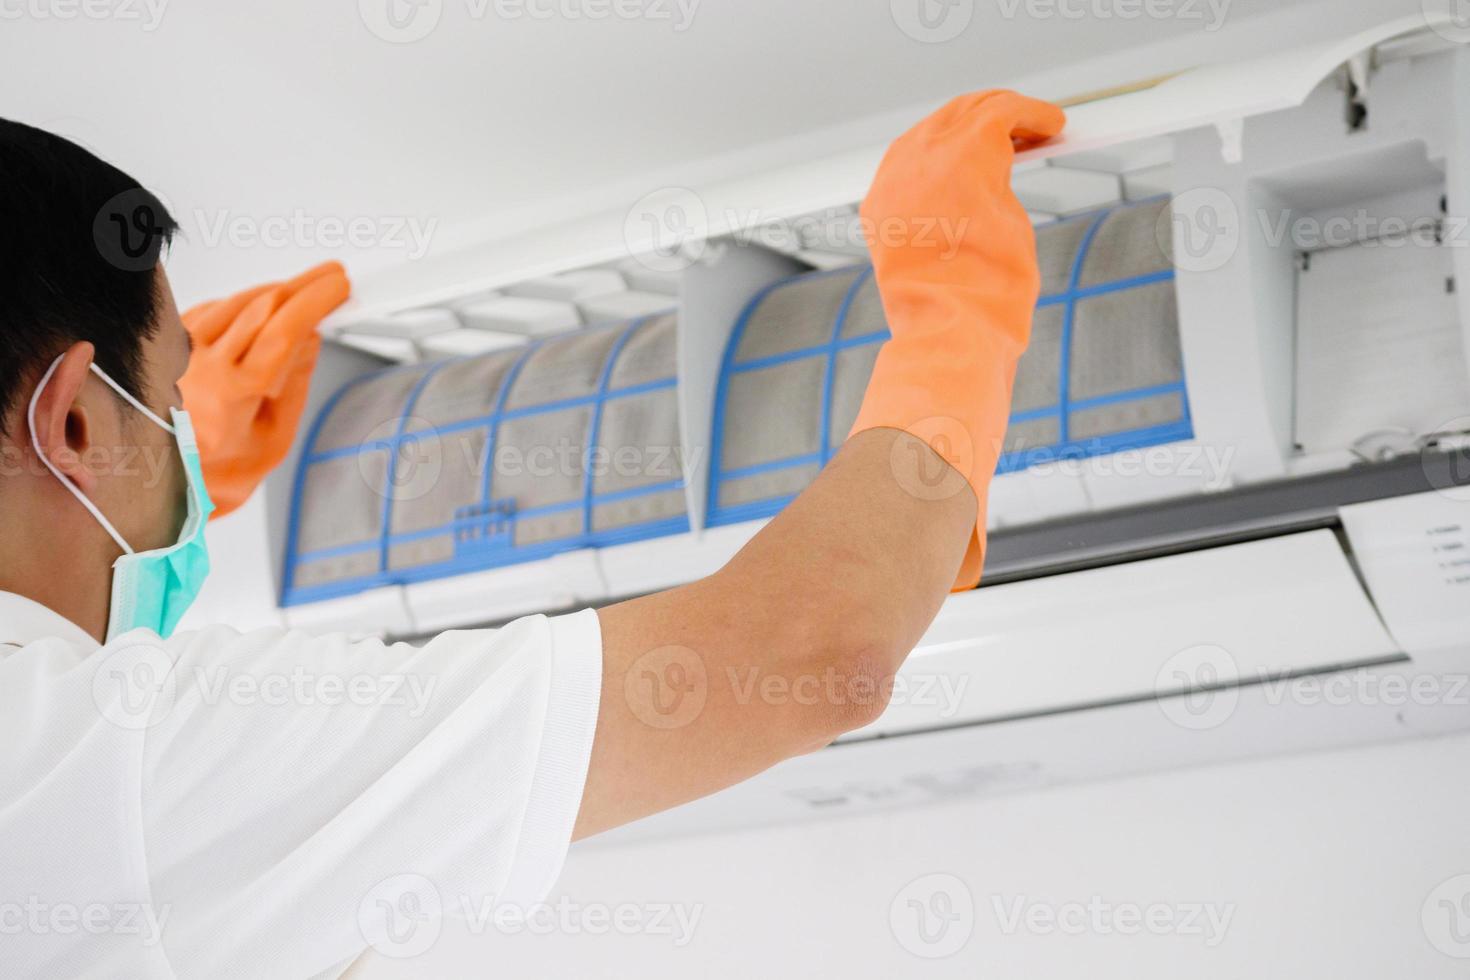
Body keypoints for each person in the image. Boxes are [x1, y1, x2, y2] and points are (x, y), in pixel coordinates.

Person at [0, 92, 1065, 977]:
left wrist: (160, 481)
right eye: (172, 396)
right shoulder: (105, 767)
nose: (187, 434)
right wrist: (953, 327)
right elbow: (804, 653)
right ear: (76, 422)